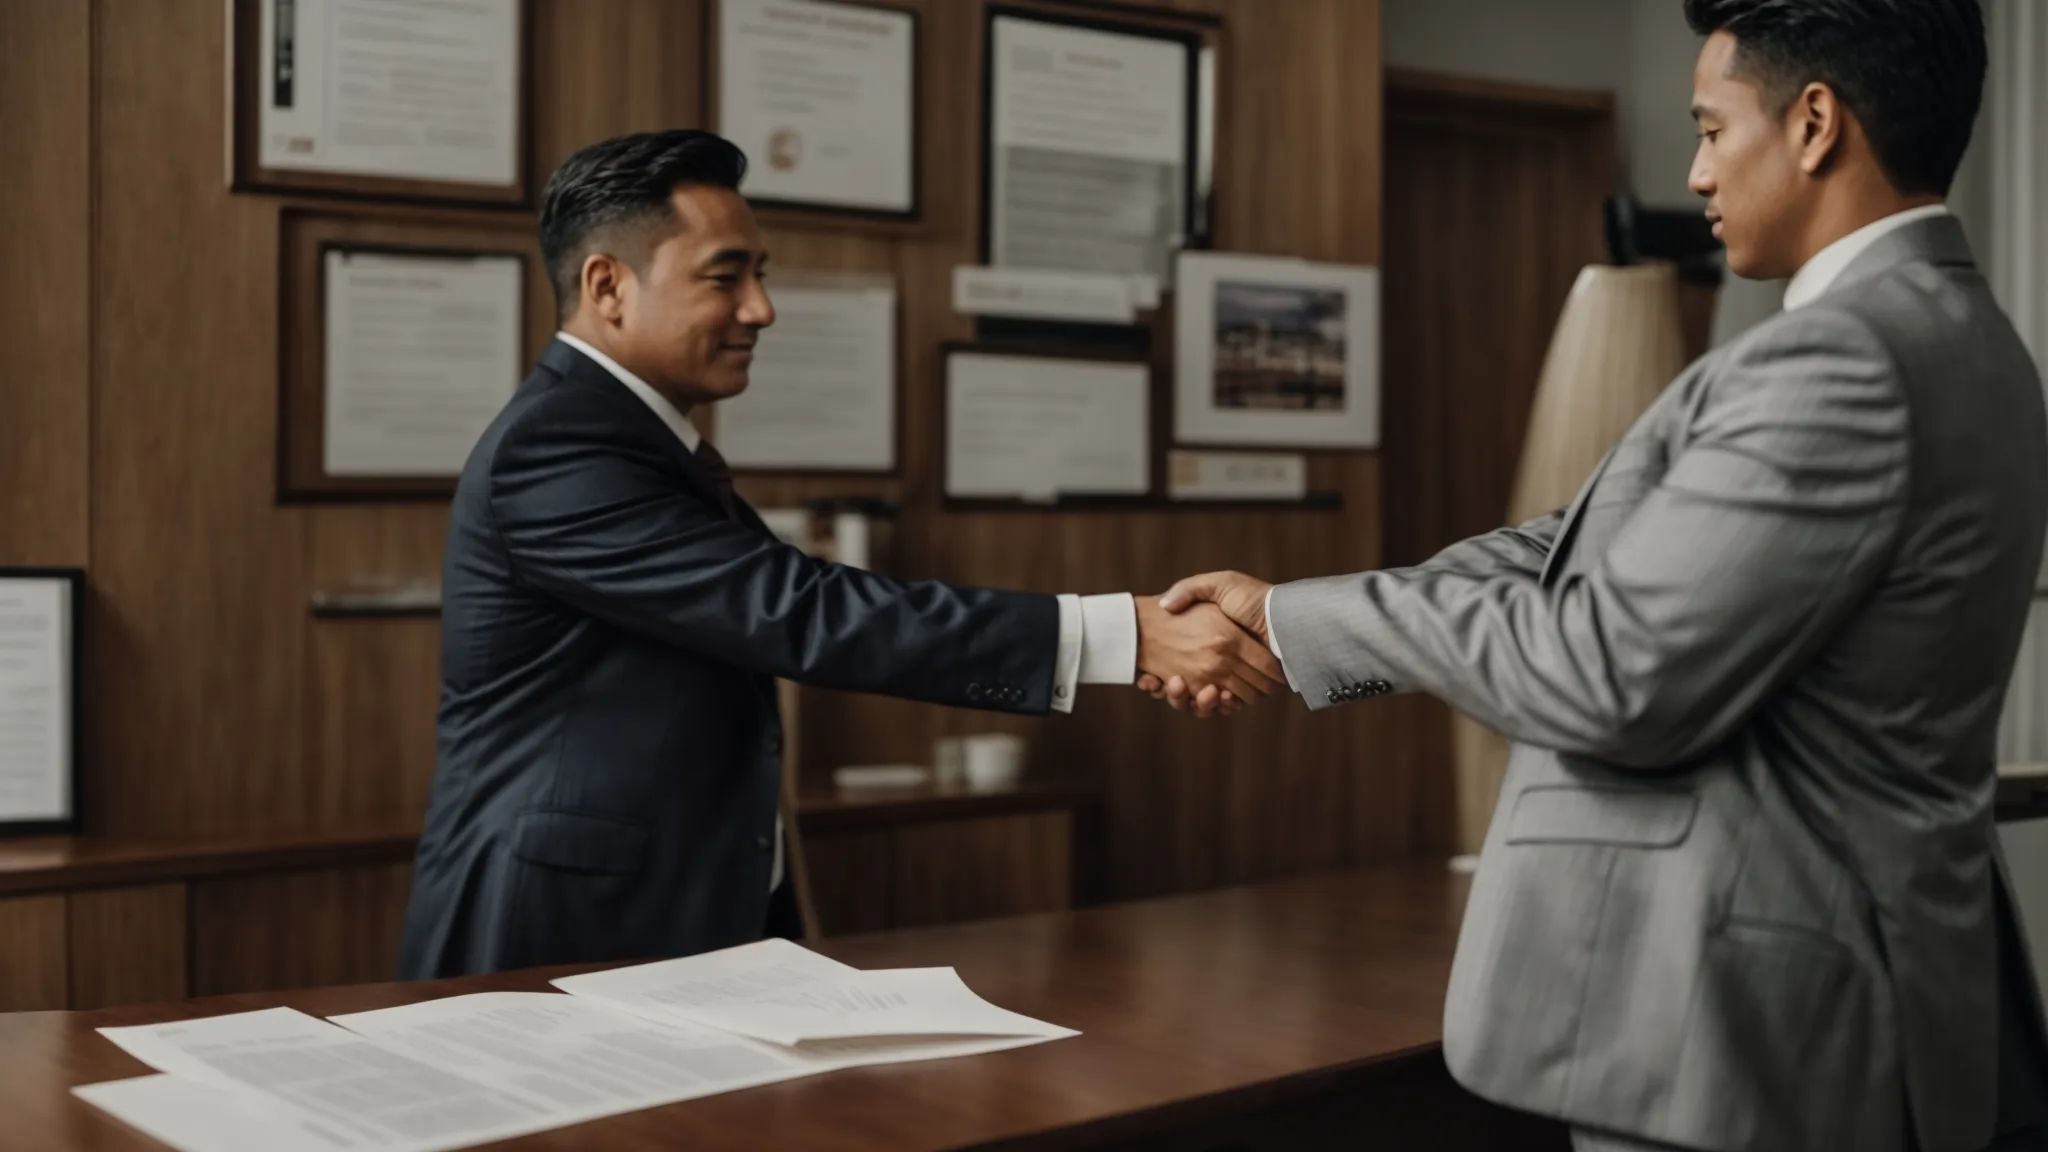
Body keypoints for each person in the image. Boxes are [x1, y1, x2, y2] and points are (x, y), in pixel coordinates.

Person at [1147, 1, 2048, 1149]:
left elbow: (1608, 672)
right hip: (1839, 1001)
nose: (1694, 170)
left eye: (1712, 130)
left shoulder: (1843, 360)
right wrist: (1293, 617)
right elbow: (1568, 544)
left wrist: (1294, 618)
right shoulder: (1962, 338)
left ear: (1813, 123)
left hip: (1757, 1029)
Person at [397, 129, 1282, 980]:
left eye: (761, 274)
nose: (761, 308)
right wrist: (1122, 634)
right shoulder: (558, 448)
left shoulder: (632, 439)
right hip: (560, 930)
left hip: (669, 915)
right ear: (608, 285)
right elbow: (796, 611)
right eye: (725, 277)